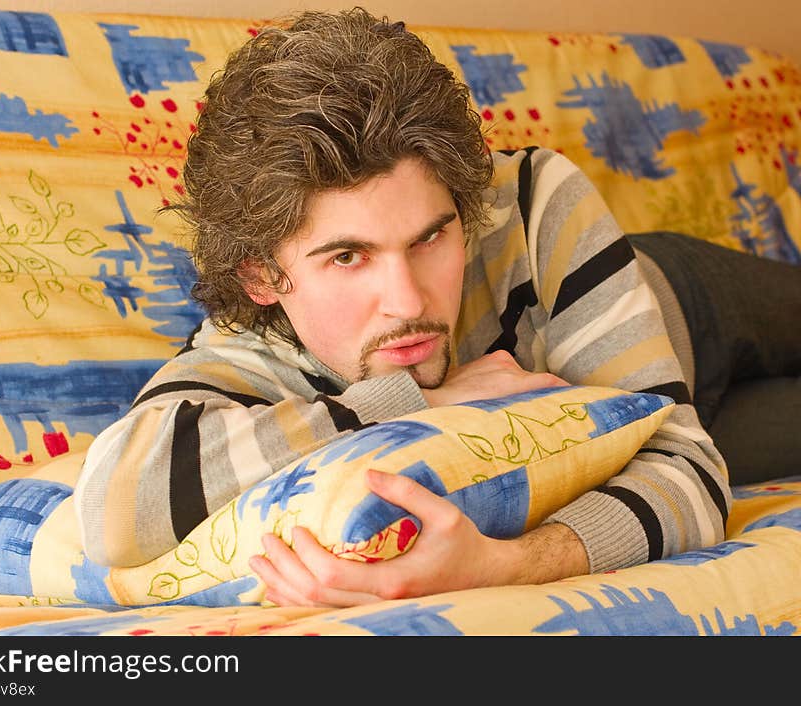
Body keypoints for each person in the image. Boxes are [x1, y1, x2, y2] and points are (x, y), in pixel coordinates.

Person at [73, 7, 798, 607]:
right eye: (348, 256)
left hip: (682, 302)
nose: (410, 302)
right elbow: (113, 507)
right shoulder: (251, 349)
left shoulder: (532, 200)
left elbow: (682, 465)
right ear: (262, 276)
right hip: (679, 422)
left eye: (431, 237)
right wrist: (414, 398)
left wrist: (503, 568)